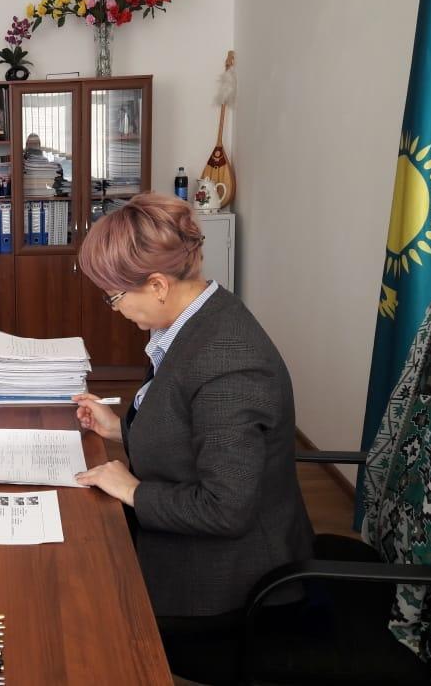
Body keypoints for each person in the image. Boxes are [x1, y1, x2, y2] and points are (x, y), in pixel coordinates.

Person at [71, 193, 312, 685]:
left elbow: (225, 508)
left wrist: (133, 489)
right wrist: (119, 428)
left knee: (85, 609)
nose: (115, 310)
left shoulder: (228, 362)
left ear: (158, 285)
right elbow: (188, 423)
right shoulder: (202, 316)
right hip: (196, 546)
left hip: (228, 584)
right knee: (81, 551)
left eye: (114, 297)